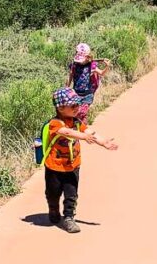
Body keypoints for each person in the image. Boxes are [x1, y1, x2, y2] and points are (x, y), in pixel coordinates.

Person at [44, 87, 119, 233]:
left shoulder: (77, 122)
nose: (76, 108)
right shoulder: (56, 123)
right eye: (72, 105)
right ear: (60, 108)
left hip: (73, 166)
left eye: (77, 104)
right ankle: (53, 208)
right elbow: (66, 132)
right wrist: (83, 136)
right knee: (53, 193)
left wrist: (103, 142)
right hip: (54, 167)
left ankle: (69, 218)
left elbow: (89, 132)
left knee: (71, 194)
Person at [66, 43, 110, 123]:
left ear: (88, 57)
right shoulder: (74, 65)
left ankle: (82, 130)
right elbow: (70, 75)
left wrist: (107, 67)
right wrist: (67, 87)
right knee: (75, 114)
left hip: (87, 94)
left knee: (82, 112)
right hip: (76, 93)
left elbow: (101, 73)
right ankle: (80, 129)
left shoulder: (91, 66)